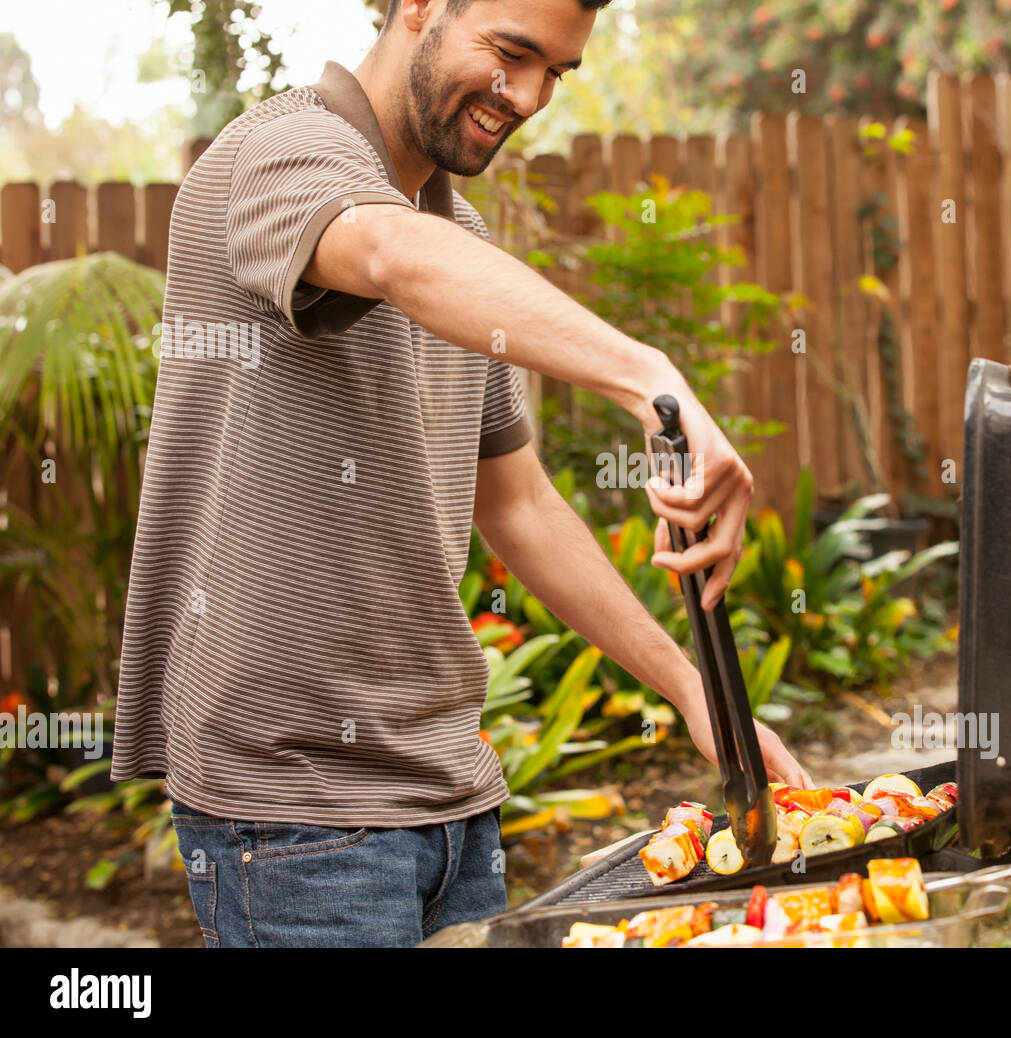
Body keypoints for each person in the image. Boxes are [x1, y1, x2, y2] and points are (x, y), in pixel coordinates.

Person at [109, 0, 812, 948]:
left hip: (451, 801)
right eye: (512, 52)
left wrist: (689, 690)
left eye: (554, 74)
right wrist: (650, 377)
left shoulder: (462, 243)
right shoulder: (278, 154)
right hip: (295, 819)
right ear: (417, 6)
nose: (525, 96)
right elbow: (388, 253)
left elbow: (517, 505)